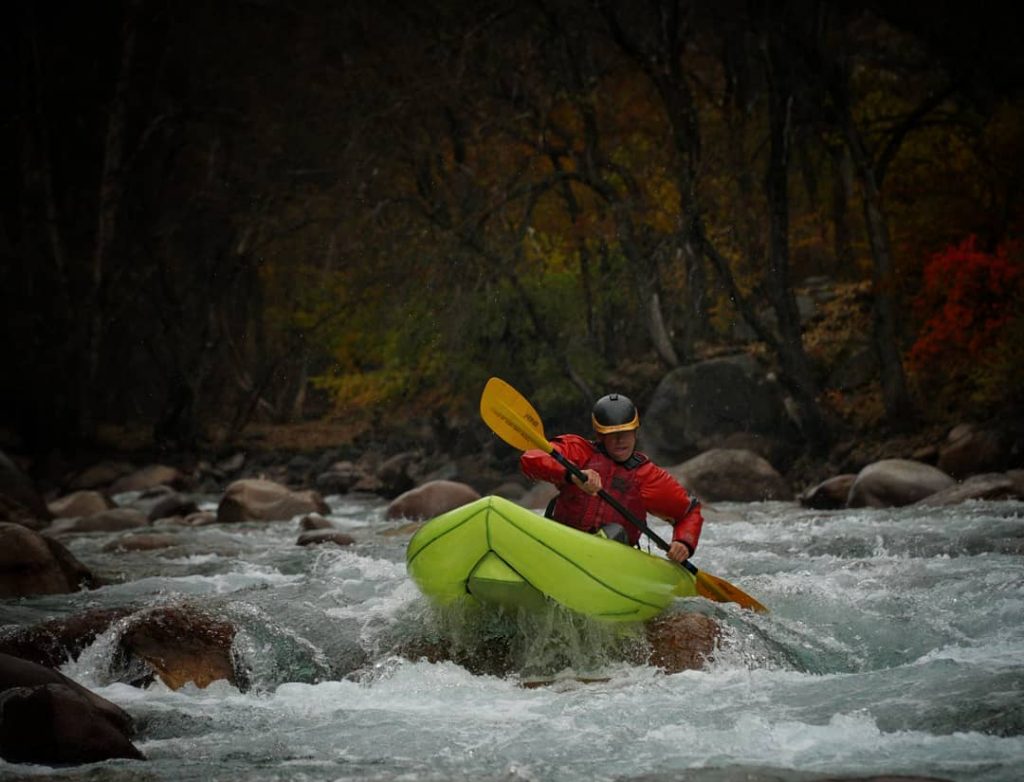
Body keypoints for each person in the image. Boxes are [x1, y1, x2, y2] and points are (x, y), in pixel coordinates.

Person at [519, 392, 702, 562]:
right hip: (562, 543)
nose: (620, 440)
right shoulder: (579, 452)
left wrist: (683, 543)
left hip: (612, 561)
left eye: (626, 432)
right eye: (612, 434)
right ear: (600, 435)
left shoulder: (646, 476)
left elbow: (688, 513)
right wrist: (572, 475)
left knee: (614, 532)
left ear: (635, 432)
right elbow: (531, 459)